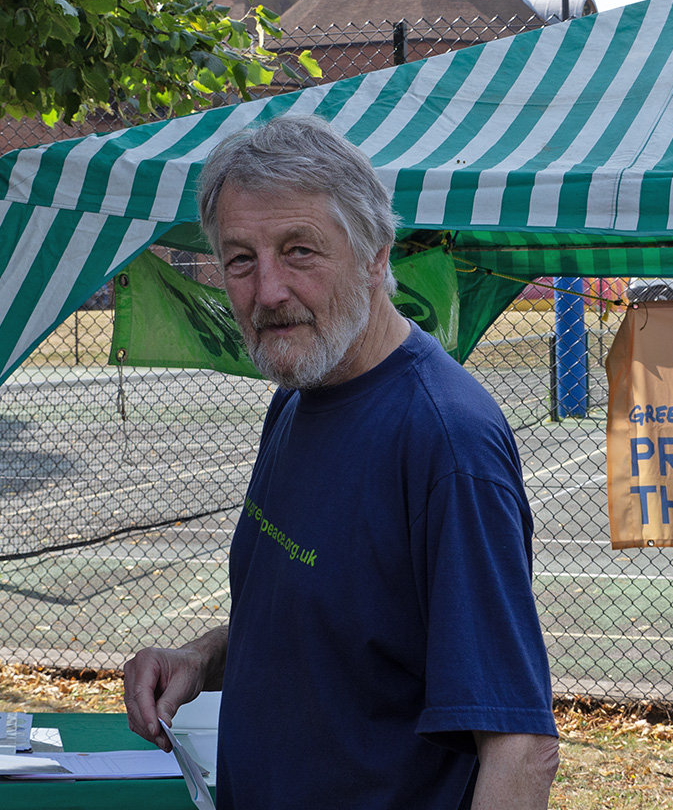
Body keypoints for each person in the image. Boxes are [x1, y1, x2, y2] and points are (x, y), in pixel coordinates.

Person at [123, 115, 559, 809]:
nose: (267, 291)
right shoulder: (299, 397)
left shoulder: (447, 443)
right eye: (240, 259)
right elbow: (331, 624)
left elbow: (519, 747)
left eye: (300, 251)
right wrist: (202, 660)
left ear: (376, 255)